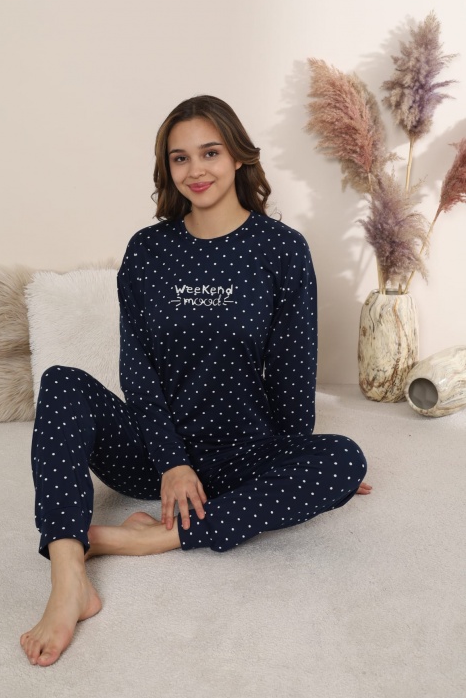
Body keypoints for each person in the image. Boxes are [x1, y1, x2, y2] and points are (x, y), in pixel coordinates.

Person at [20, 95, 371, 666]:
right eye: (180, 158)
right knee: (60, 381)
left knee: (345, 459)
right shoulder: (148, 250)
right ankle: (68, 577)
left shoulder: (281, 249)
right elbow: (137, 371)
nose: (196, 170)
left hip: (240, 457)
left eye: (210, 152)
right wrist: (172, 463)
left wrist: (298, 465)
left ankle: (145, 537)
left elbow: (292, 372)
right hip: (152, 459)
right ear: (168, 169)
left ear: (238, 157)